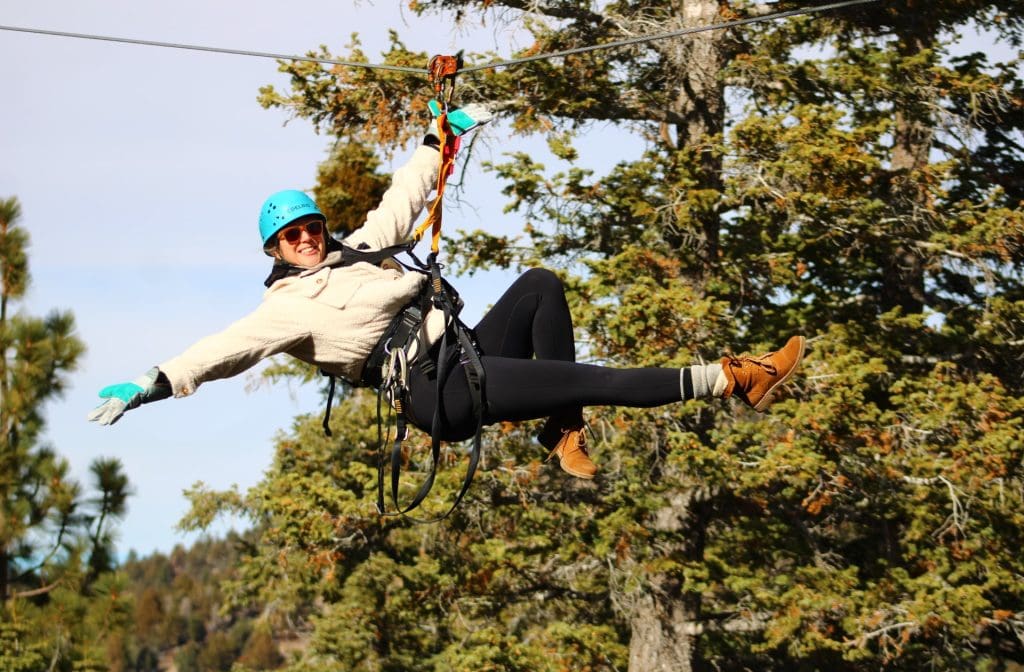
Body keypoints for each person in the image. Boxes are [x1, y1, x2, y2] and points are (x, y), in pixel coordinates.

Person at [88, 104, 807, 480]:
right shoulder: (286, 308)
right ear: (275, 251)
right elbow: (224, 350)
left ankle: (563, 427)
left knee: (540, 286)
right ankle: (736, 378)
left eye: (310, 226)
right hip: (437, 393)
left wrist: (441, 137)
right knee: (597, 377)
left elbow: (404, 196)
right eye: (291, 236)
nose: (305, 238)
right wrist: (155, 382)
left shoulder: (358, 249)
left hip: (458, 352)